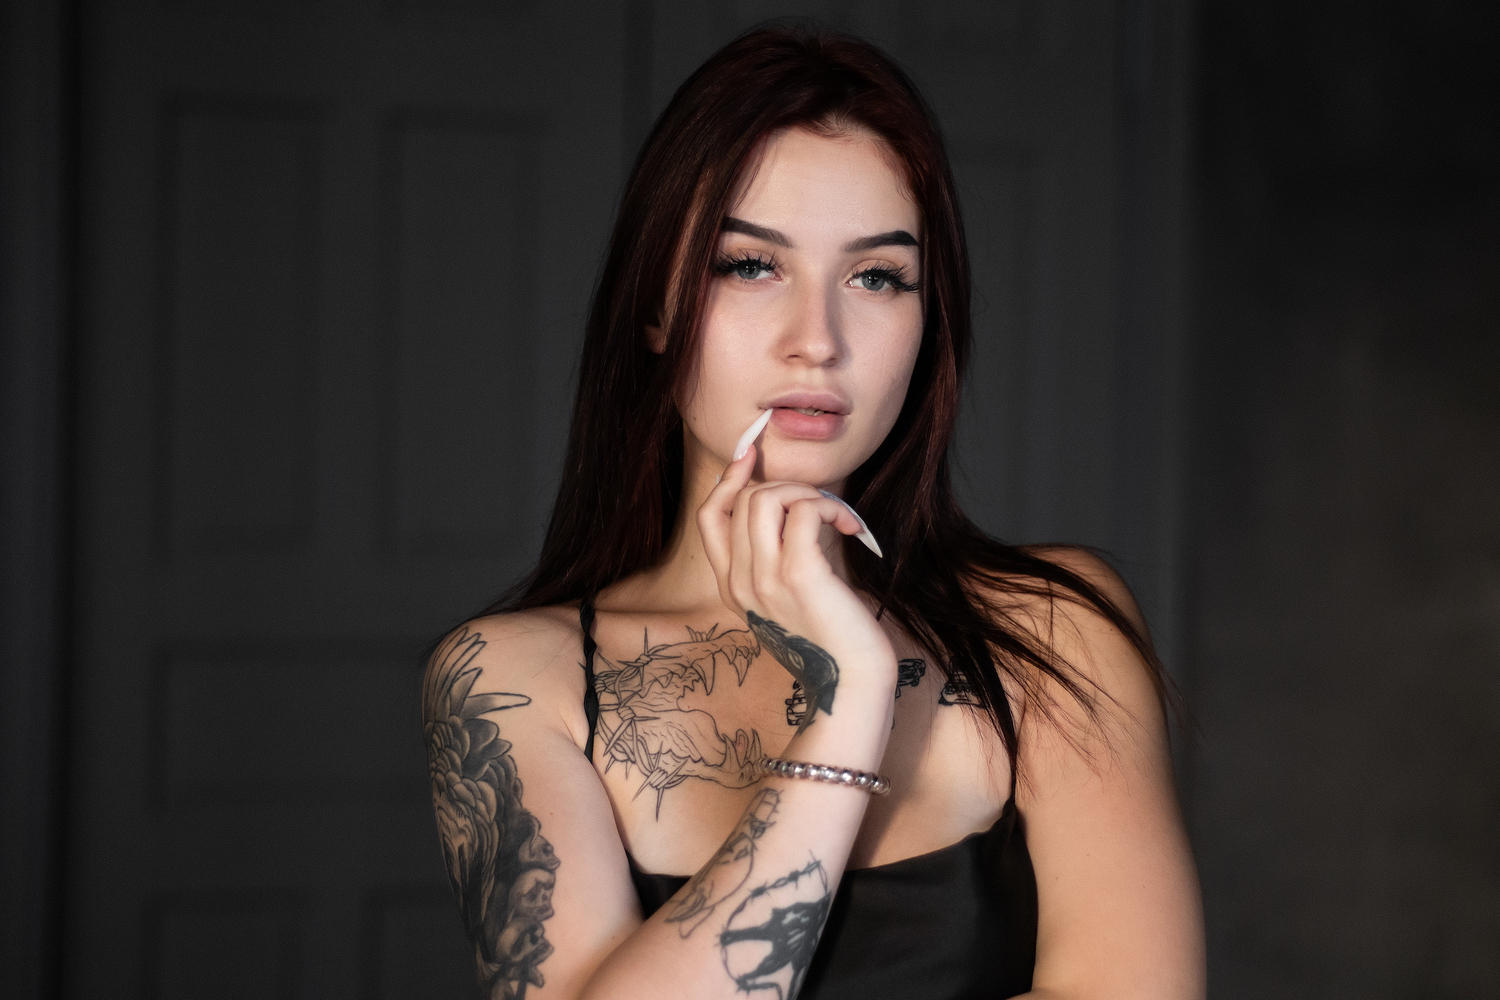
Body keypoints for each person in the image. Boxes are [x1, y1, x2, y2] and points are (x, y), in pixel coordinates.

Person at [422, 23, 1205, 1000]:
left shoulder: (1053, 630)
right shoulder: (513, 679)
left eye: (876, 277)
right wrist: (845, 707)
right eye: (751, 265)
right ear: (656, 307)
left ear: (929, 320)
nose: (818, 340)